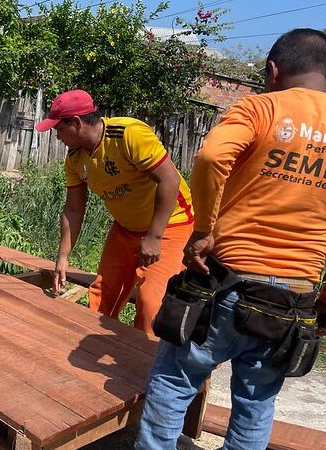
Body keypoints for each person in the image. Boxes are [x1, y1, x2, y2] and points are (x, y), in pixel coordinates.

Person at [136, 28, 326, 450]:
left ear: (272, 71)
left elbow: (211, 156)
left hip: (227, 282)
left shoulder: (262, 108)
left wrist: (204, 230)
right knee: (256, 402)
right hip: (293, 298)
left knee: (174, 380)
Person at [35, 89, 193, 334]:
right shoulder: (75, 159)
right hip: (126, 227)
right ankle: (91, 345)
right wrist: (63, 256)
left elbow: (169, 181)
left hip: (171, 224)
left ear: (76, 123)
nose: (57, 137)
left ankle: (141, 363)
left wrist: (154, 237)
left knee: (151, 301)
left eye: (59, 129)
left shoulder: (128, 134)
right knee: (102, 293)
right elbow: (74, 209)